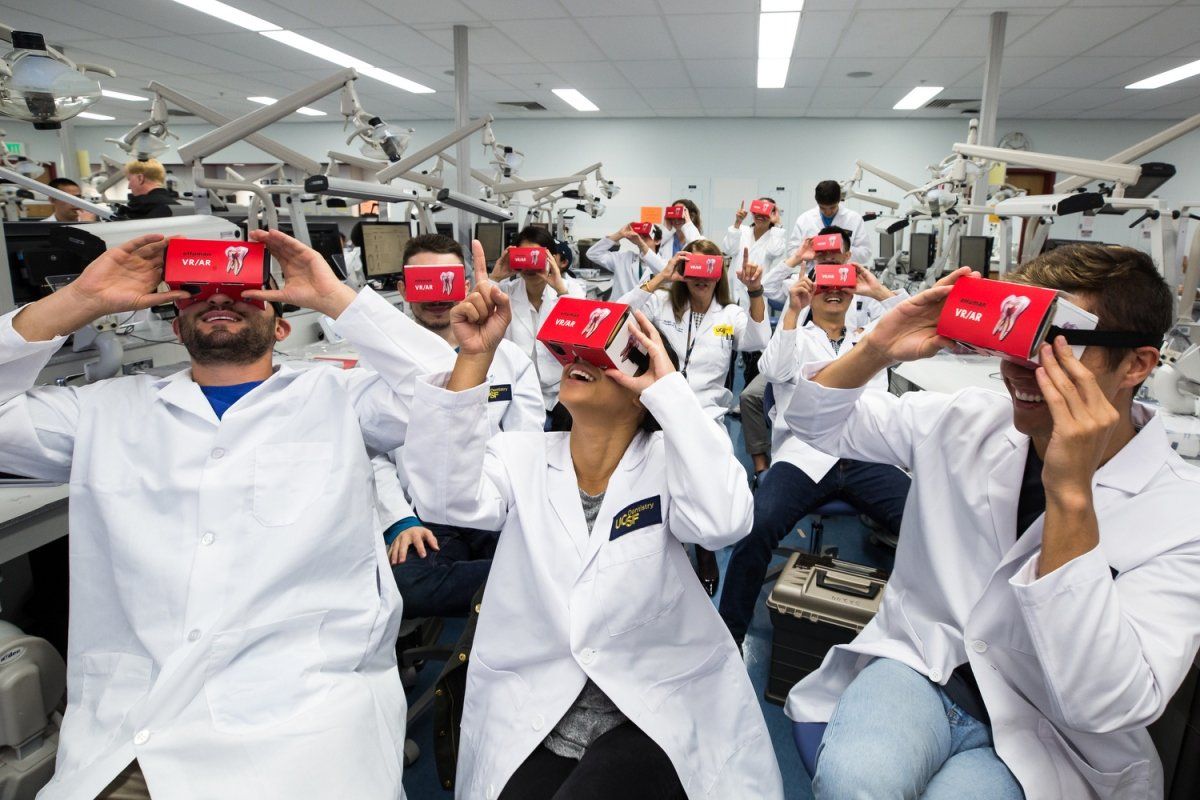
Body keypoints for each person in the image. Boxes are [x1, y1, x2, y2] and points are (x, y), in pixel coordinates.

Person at [0, 229, 450, 798]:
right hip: (136, 728)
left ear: (279, 318)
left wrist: (335, 296)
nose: (219, 298)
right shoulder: (103, 412)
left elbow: (448, 388)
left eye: (242, 288)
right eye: (197, 289)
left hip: (305, 721)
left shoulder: (340, 398)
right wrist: (78, 303)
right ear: (173, 321)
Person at [783, 245, 1200, 799]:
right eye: (1015, 341)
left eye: (1057, 347)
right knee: (855, 784)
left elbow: (1108, 701)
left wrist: (1071, 496)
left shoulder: (1180, 512)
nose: (1020, 371)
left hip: (1051, 731)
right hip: (926, 664)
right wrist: (878, 346)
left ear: (1137, 365)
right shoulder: (968, 419)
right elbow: (813, 422)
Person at [402, 260, 785, 800]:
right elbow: (443, 494)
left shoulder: (668, 460)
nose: (582, 360)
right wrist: (473, 355)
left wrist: (669, 390)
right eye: (575, 352)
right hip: (536, 704)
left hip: (650, 705)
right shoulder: (523, 455)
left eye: (607, 354)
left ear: (642, 390)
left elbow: (724, 521)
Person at [718, 260, 910, 648]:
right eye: (823, 287)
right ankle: (726, 639)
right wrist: (792, 309)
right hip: (805, 454)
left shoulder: (869, 337)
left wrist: (880, 293)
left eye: (841, 286)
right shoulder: (798, 337)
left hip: (866, 454)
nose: (833, 293)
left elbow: (910, 327)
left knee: (927, 524)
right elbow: (772, 369)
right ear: (812, 293)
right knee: (755, 530)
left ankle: (917, 637)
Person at [374, 233, 544, 619]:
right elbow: (369, 455)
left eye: (446, 280)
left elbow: (526, 440)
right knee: (406, 588)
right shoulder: (380, 364)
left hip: (495, 504)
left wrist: (518, 510)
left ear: (465, 285)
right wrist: (398, 519)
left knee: (547, 555)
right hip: (424, 516)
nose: (436, 294)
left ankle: (516, 585)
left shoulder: (511, 359)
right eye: (423, 283)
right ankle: (517, 585)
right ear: (402, 288)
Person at [621, 239, 770, 596]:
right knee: (650, 487)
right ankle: (651, 554)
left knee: (703, 484)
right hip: (653, 412)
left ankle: (704, 550)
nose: (701, 277)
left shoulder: (728, 315)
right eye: (694, 268)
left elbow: (758, 339)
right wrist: (661, 278)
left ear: (718, 273)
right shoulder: (661, 305)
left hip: (705, 416)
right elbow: (615, 313)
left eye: (709, 269)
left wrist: (755, 292)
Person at [490, 225, 586, 423]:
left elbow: (581, 337)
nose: (531, 266)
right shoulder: (504, 292)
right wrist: (495, 277)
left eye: (537, 257)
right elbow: (476, 316)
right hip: (517, 392)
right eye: (524, 257)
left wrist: (560, 289)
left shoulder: (570, 291)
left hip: (560, 393)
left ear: (551, 257)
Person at [723, 197, 786, 312]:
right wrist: (737, 222)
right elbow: (728, 250)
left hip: (756, 293)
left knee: (754, 327)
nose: (760, 215)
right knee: (726, 329)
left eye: (766, 211)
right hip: (733, 290)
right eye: (758, 211)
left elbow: (775, 251)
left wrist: (777, 223)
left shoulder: (775, 235)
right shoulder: (741, 230)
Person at [786, 180, 869, 266]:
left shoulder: (854, 218)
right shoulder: (804, 219)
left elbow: (865, 253)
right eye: (823, 208)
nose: (828, 212)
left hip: (843, 274)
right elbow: (791, 253)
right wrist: (813, 249)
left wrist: (841, 248)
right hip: (813, 274)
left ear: (839, 200)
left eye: (832, 207)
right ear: (817, 203)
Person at [585, 223, 665, 300]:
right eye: (639, 236)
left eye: (645, 237)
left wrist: (641, 244)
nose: (640, 240)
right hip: (620, 310)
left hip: (646, 313)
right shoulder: (624, 258)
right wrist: (620, 234)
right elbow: (593, 254)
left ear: (657, 241)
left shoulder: (664, 264)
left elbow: (665, 274)